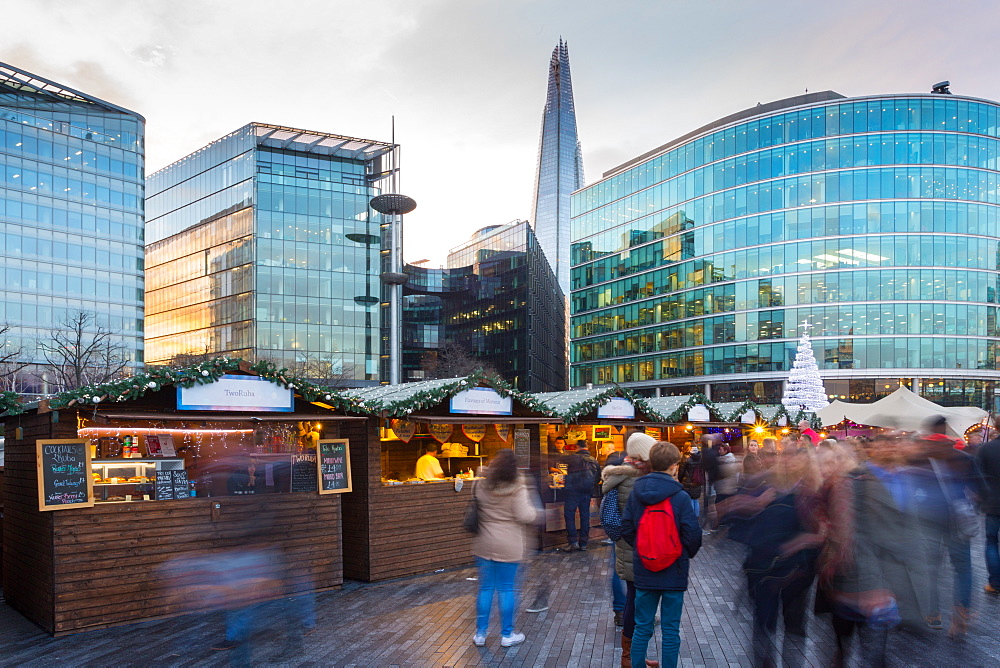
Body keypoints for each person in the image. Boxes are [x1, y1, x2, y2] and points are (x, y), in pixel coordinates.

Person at [621, 441, 702, 668]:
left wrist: (642, 549)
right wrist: (683, 554)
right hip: (674, 571)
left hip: (644, 569)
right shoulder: (680, 496)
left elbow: (626, 527)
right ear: (674, 466)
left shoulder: (636, 493)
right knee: (670, 629)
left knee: (642, 626)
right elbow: (693, 534)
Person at [471, 449, 538, 648]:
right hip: (509, 544)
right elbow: (525, 515)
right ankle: (507, 635)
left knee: (485, 588)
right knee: (507, 588)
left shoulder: (480, 482)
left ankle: (480, 633)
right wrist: (536, 513)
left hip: (484, 541)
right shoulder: (518, 485)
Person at [603, 431, 656, 667]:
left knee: (635, 598)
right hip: (641, 546)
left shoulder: (619, 477)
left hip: (626, 545)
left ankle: (633, 656)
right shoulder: (640, 479)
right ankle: (630, 658)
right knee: (639, 602)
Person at [562, 440, 600, 551]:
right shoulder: (594, 460)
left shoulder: (573, 458)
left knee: (569, 516)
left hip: (573, 492)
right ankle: (583, 543)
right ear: (587, 447)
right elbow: (598, 477)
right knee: (585, 516)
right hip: (587, 492)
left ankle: (573, 542)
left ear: (577, 447)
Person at [977, 420, 1000, 595]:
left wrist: (983, 498)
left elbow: (977, 476)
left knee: (991, 542)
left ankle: (995, 582)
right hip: (991, 502)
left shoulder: (986, 449)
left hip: (993, 503)